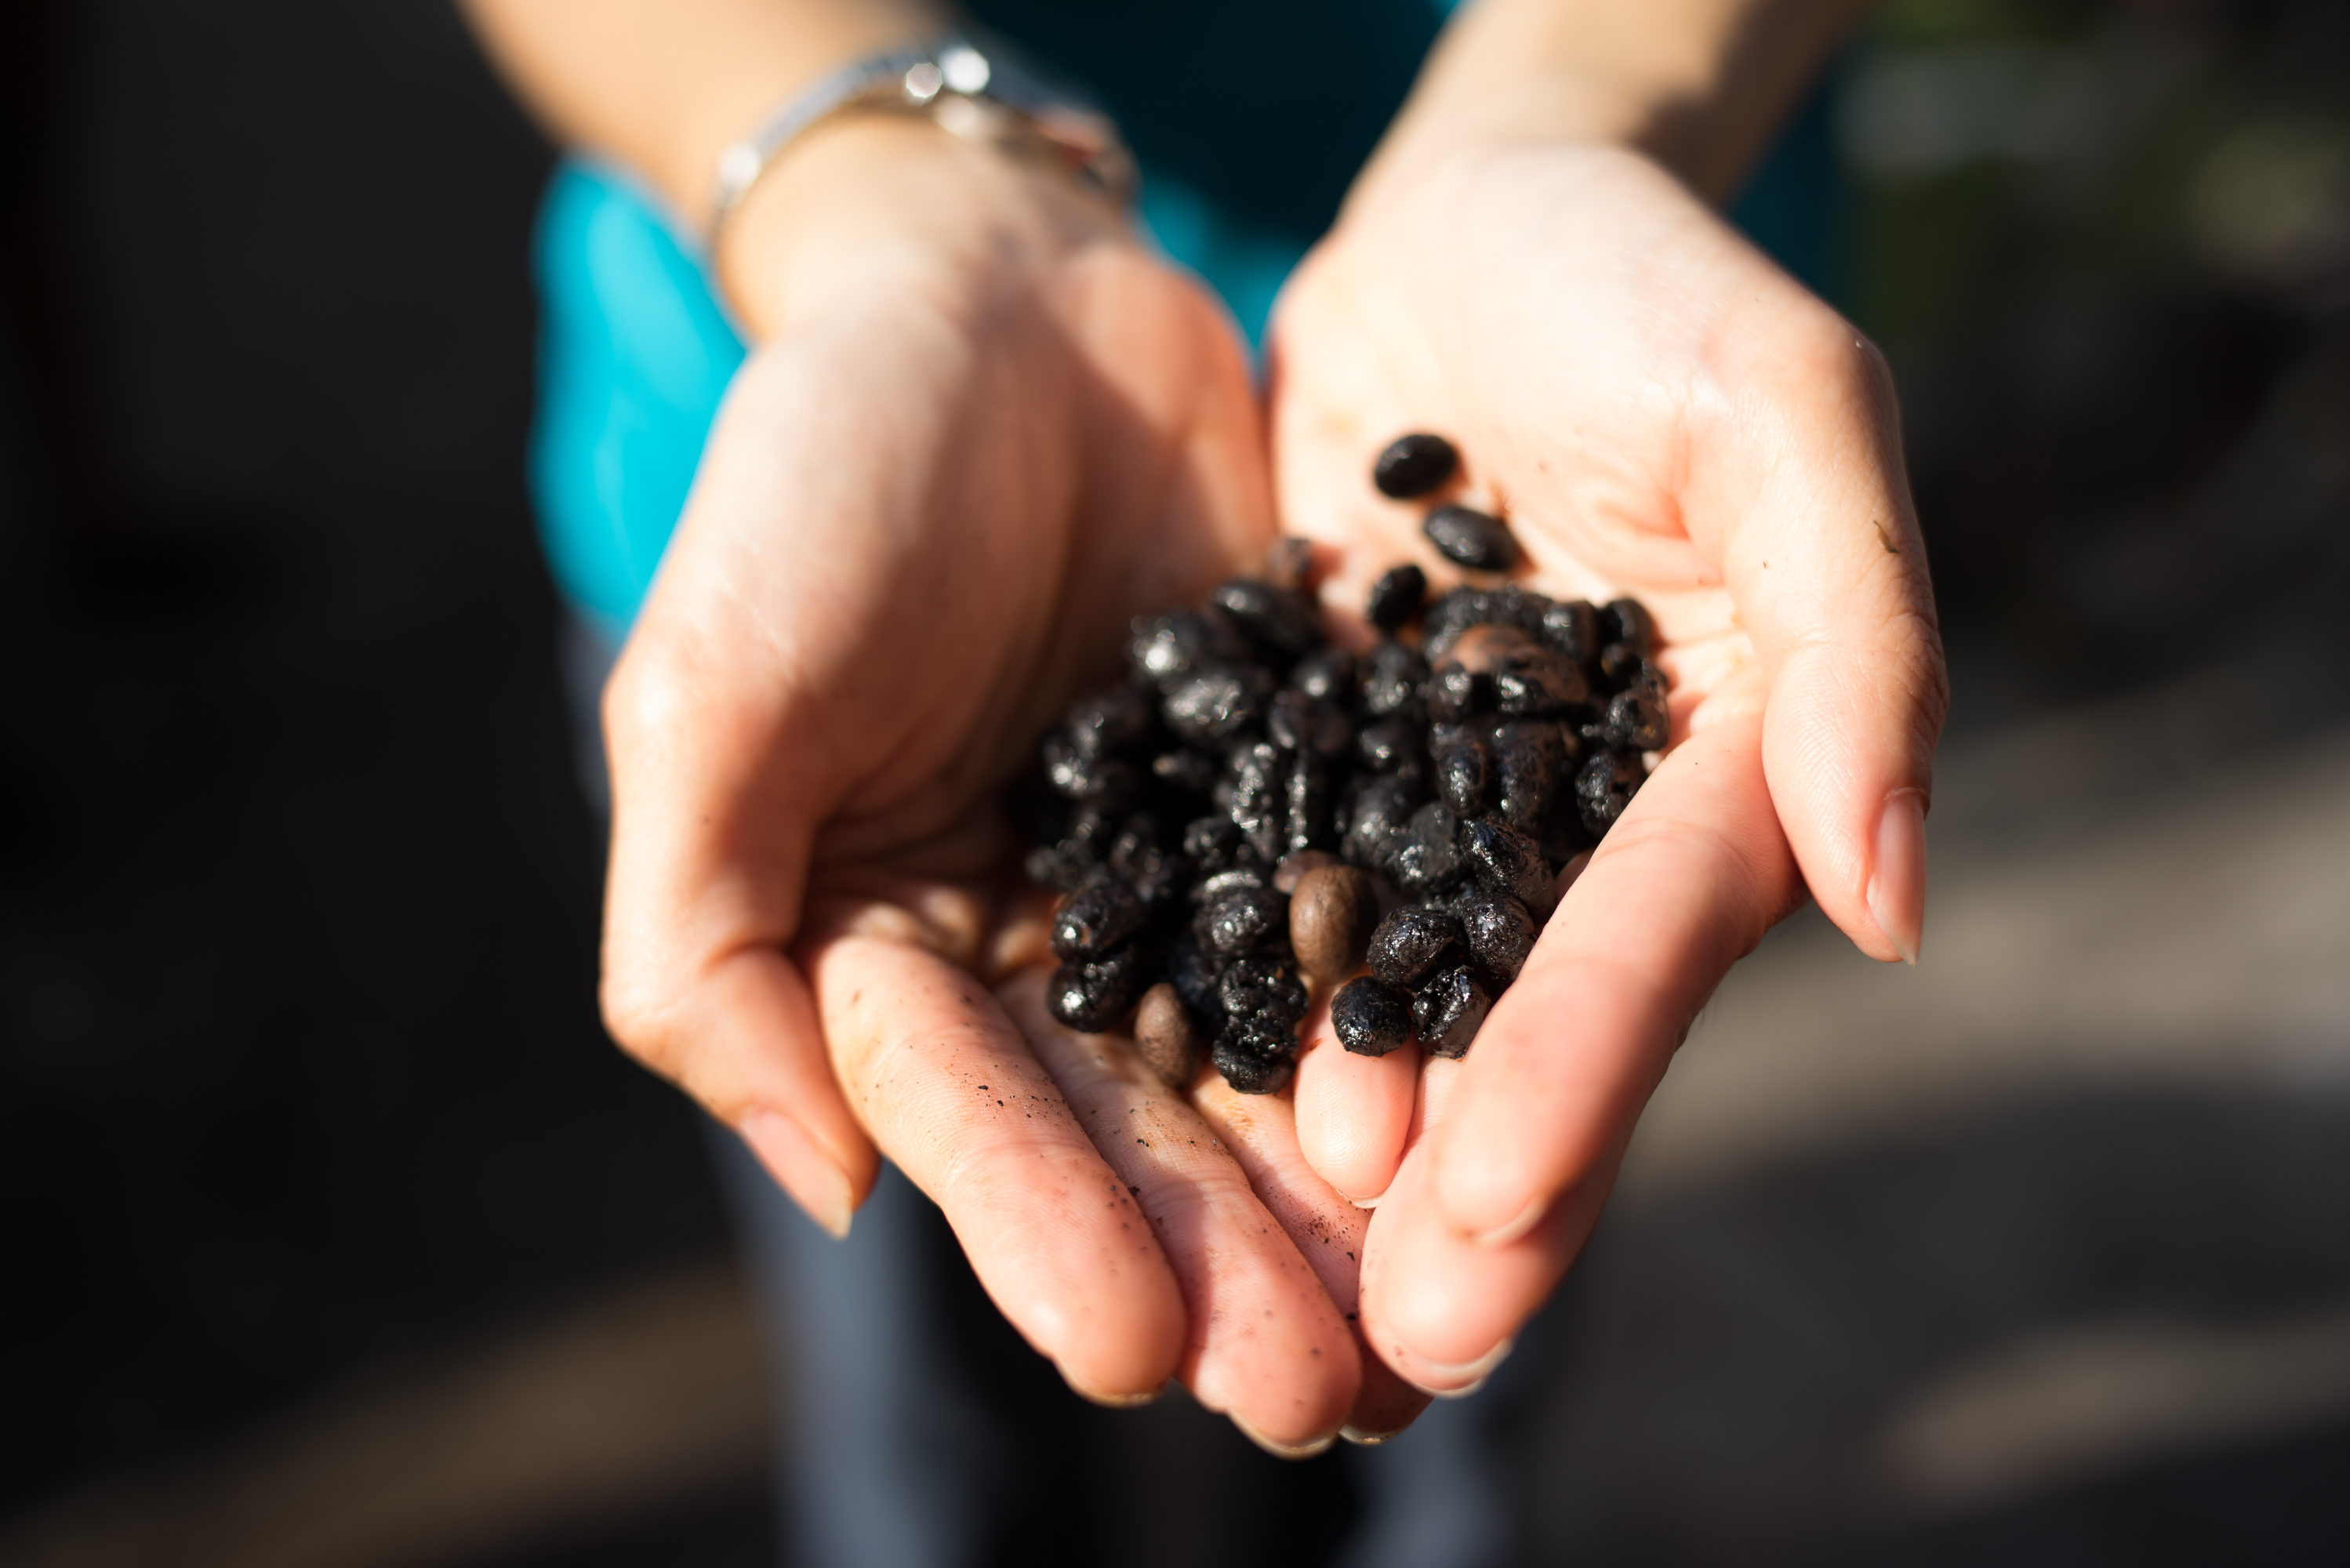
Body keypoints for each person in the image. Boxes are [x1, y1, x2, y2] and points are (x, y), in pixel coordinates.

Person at [462, 0, 1945, 1552]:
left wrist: (1575, 102)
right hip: (867, 557)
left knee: (1436, 1352)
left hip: (1570, 410)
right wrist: (874, 195)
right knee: (941, 1442)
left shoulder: (1466, 685)